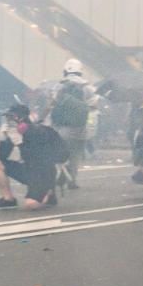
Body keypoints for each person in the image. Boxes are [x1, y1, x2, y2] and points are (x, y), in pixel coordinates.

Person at [0, 104, 65, 210]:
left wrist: (22, 142)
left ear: (19, 118)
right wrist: (4, 139)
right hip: (28, 169)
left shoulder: (40, 131)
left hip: (43, 172)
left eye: (10, 117)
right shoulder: (13, 132)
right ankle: (8, 199)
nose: (8, 121)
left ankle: (49, 193)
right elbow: (3, 158)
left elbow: (48, 156)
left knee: (31, 204)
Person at [48, 59, 97, 189]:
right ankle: (72, 180)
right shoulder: (88, 87)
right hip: (80, 129)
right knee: (76, 154)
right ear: (80, 71)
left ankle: (61, 173)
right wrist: (90, 129)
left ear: (65, 71)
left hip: (60, 128)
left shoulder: (59, 86)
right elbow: (93, 108)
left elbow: (52, 106)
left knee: (59, 153)